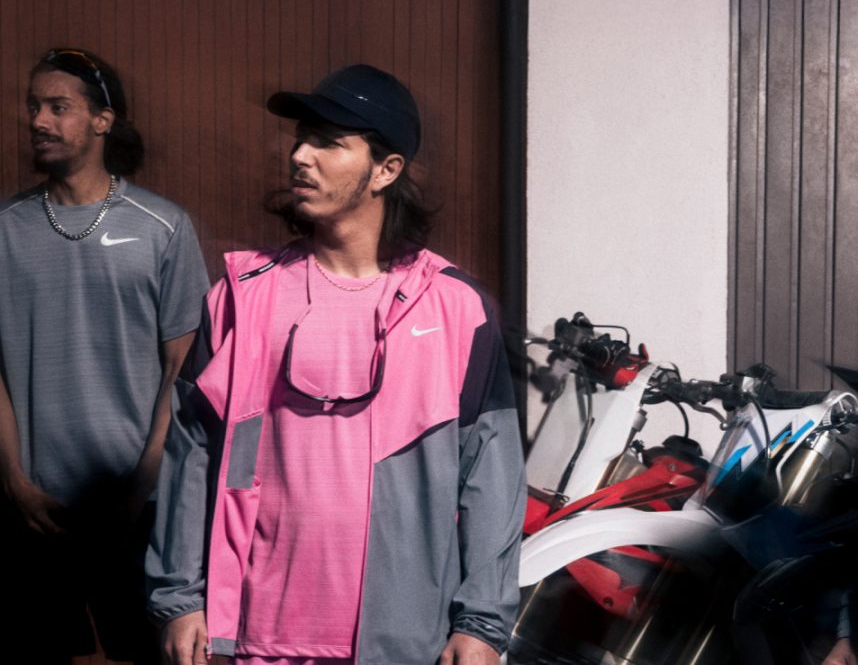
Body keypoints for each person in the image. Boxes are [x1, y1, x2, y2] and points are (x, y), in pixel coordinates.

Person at [146, 64, 526, 665]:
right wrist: (179, 598)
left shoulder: (456, 308)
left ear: (386, 169)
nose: (300, 156)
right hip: (254, 635)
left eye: (328, 142)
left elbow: (491, 474)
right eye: (301, 139)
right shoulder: (242, 296)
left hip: (402, 642)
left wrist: (482, 625)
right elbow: (191, 452)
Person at [0, 48, 210, 663]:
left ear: (102, 120)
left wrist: (140, 488)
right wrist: (13, 481)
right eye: (34, 106)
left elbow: (181, 375)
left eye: (58, 107)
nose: (39, 120)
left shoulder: (162, 227)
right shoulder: (5, 229)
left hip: (136, 507)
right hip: (32, 509)